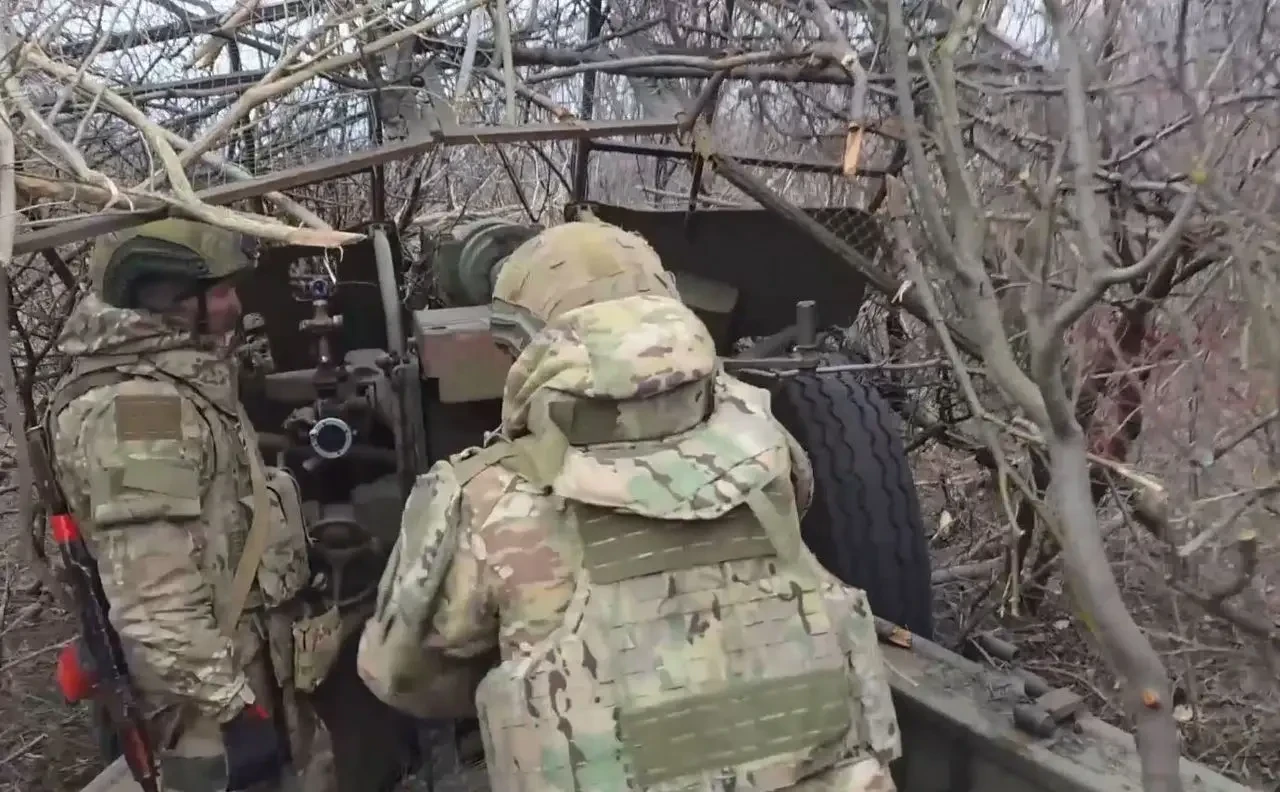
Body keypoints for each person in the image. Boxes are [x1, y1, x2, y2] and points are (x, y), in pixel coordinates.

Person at [357, 219, 902, 791]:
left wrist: (533, 680)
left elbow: (398, 673)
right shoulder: (768, 444)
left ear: (524, 345)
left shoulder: (485, 499)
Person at [44, 219, 336, 792]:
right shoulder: (139, 412)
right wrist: (235, 711)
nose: (235, 306)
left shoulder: (178, 380)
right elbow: (154, 600)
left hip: (247, 676)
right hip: (210, 712)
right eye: (220, 292)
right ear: (168, 299)